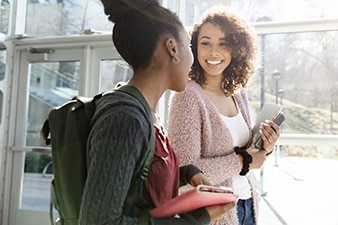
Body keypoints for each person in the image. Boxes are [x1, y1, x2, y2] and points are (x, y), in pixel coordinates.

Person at [79, 1, 235, 224]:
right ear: (172, 48)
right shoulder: (124, 119)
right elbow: (99, 222)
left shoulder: (145, 113)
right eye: (189, 48)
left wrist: (187, 172)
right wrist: (199, 219)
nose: (192, 60)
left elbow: (142, 178)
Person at [168, 5, 281, 225]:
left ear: (237, 49)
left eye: (223, 43)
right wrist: (243, 161)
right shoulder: (188, 96)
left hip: (248, 204)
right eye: (206, 43)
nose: (214, 52)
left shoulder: (238, 94)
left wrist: (266, 145)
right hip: (216, 214)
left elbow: (249, 152)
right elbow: (184, 172)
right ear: (194, 48)